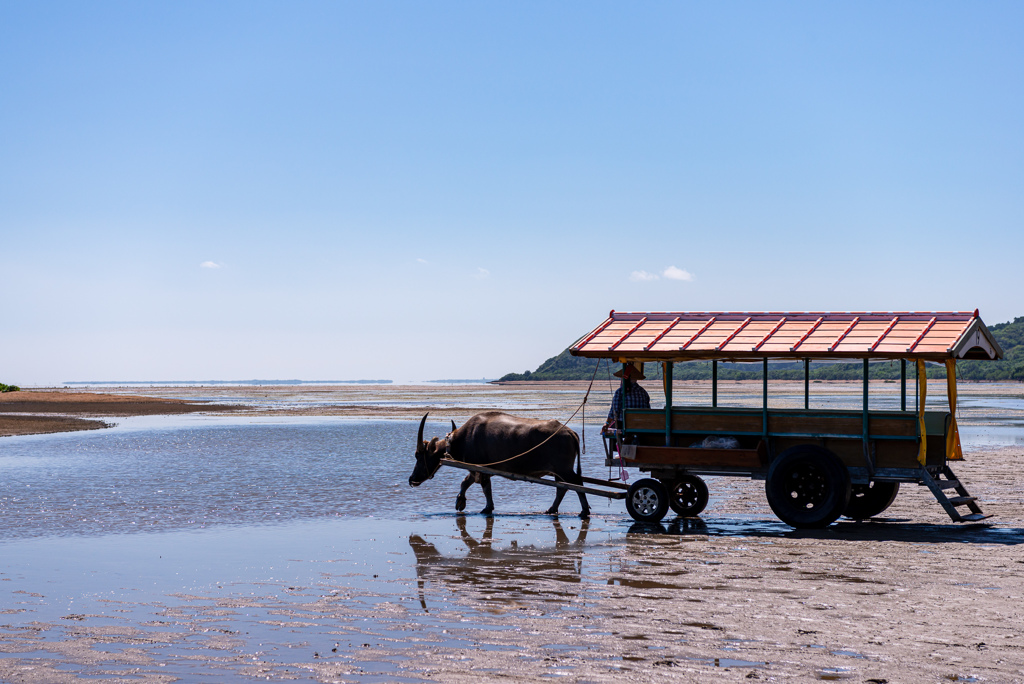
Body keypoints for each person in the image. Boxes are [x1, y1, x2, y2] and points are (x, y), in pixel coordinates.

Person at [602, 362, 651, 434]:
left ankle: (619, 443)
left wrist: (606, 423)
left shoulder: (620, 391)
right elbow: (648, 410)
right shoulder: (643, 392)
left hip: (624, 425)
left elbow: (614, 412)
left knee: (611, 428)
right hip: (641, 425)